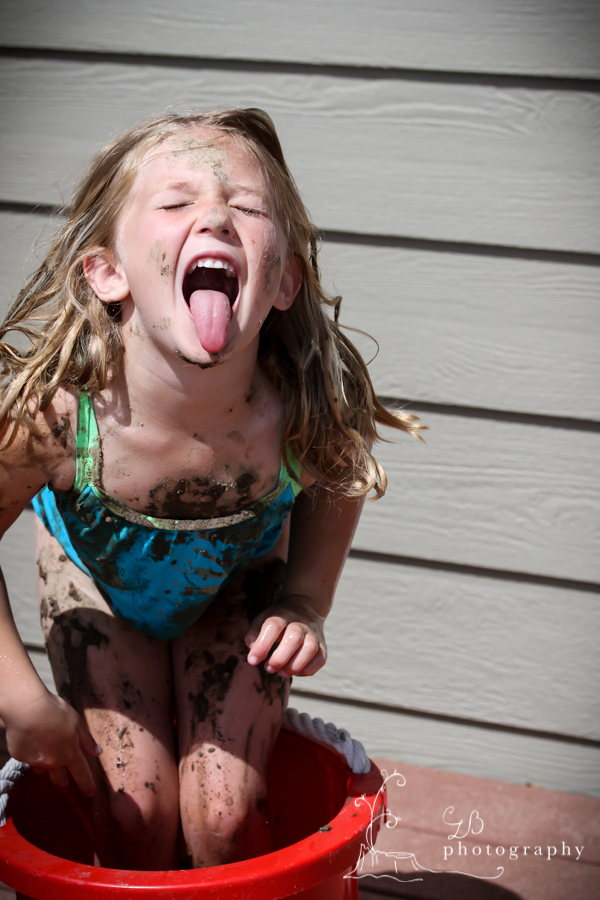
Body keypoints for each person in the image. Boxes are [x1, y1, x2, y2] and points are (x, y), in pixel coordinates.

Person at [0, 109, 420, 870]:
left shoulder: (300, 407)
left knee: (225, 824)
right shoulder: (63, 420)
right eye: (175, 203)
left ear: (286, 279)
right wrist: (20, 698)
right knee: (137, 821)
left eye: (249, 208)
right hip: (97, 587)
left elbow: (341, 474)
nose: (217, 217)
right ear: (107, 272)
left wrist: (305, 600)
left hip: (237, 588)